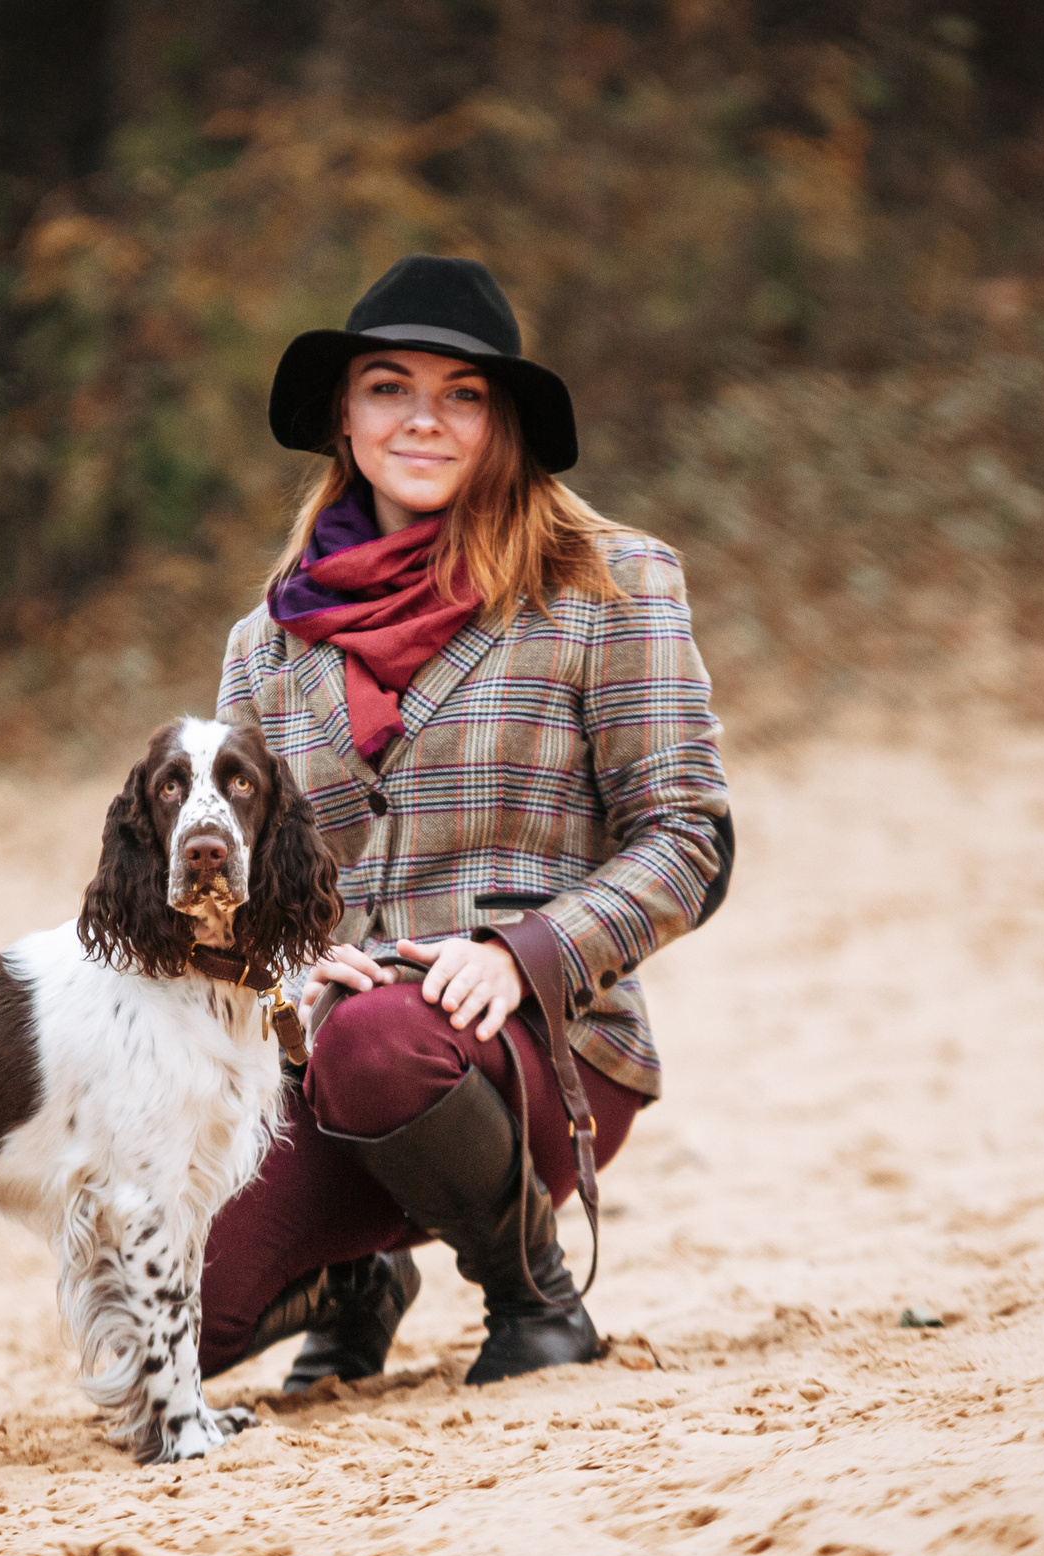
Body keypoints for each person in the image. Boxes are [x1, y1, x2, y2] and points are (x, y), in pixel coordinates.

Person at [198, 254, 733, 1389]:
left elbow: (689, 840)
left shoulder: (610, 585)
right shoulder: (264, 648)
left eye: (463, 394)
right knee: (176, 1316)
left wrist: (523, 952)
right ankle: (363, 1277)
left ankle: (529, 1291)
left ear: (502, 422)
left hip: (542, 1053)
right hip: (325, 1064)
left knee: (384, 1043)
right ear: (344, 416)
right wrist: (289, 968)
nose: (423, 420)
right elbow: (233, 888)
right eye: (389, 387)